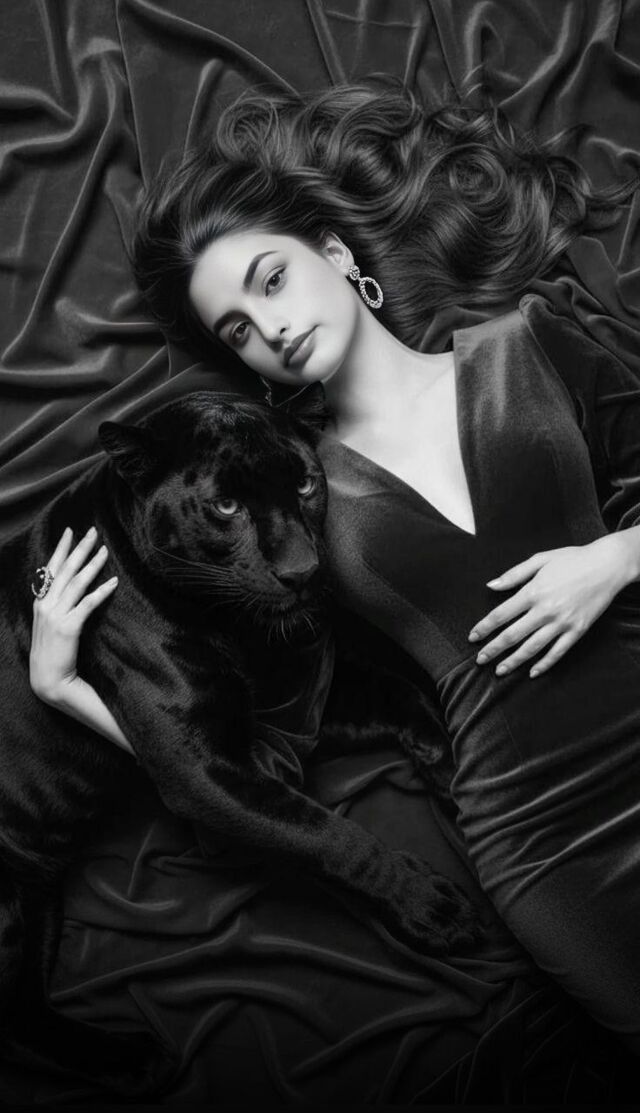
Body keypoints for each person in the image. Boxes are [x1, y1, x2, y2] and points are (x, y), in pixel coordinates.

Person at [29, 78, 640, 1076]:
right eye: (235, 329)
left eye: (269, 281)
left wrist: (616, 556)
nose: (266, 327)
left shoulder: (531, 341)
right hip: (545, 842)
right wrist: (65, 689)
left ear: (336, 254)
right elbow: (253, 759)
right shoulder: (297, 513)